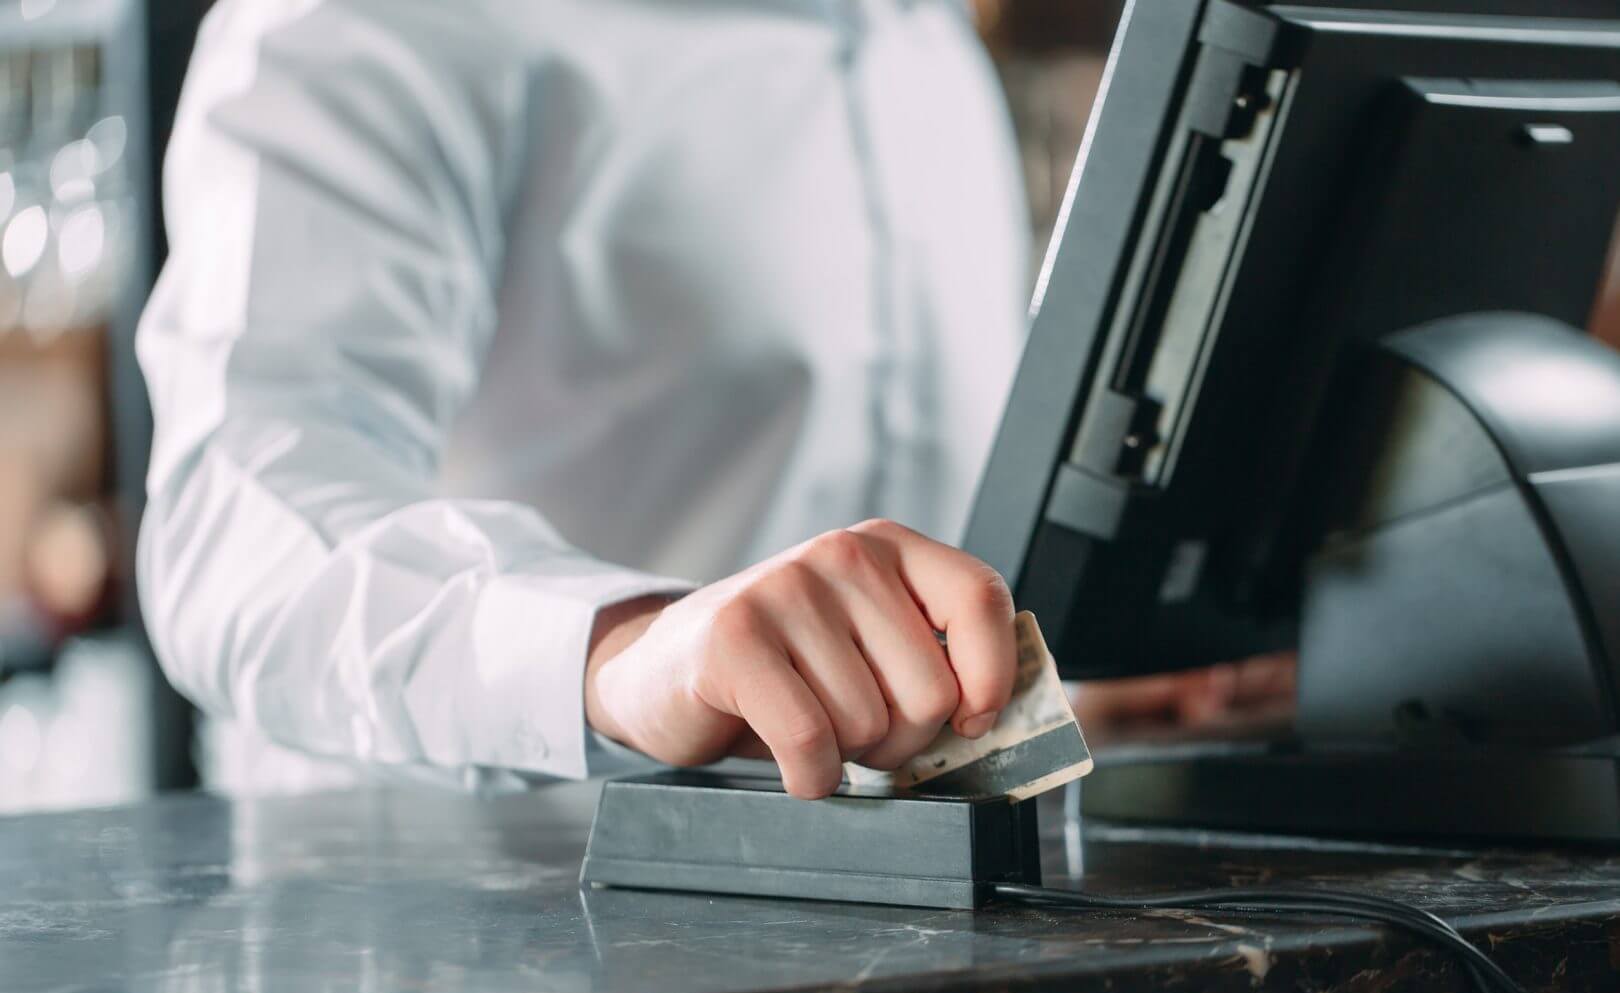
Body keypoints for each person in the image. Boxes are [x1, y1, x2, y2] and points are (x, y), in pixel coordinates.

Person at [138, 0, 1288, 799]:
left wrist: (1039, 696)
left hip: (875, 941)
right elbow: (239, 538)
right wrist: (624, 647)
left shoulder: (922, 39)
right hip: (444, 949)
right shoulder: (367, 27)